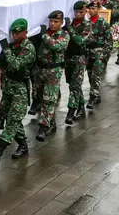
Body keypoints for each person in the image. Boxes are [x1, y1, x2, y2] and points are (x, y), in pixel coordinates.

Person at [0, 18, 35, 163]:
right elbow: (0, 64)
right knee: (13, 119)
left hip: (20, 89)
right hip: (7, 88)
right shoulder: (12, 46)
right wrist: (1, 51)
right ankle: (23, 145)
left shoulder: (28, 47)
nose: (14, 35)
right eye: (13, 32)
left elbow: (16, 65)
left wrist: (6, 49)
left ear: (25, 32)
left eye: (18, 32)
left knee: (13, 120)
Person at [35, 11, 70, 142]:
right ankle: (51, 123)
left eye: (56, 22)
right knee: (40, 96)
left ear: (61, 23)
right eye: (50, 21)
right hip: (40, 69)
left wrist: (44, 35)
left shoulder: (64, 35)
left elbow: (55, 46)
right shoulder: (44, 33)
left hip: (53, 70)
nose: (52, 24)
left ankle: (43, 127)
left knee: (48, 99)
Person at [64, 1, 91, 125]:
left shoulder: (87, 25)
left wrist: (69, 28)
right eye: (76, 11)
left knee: (75, 86)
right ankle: (81, 107)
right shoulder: (69, 23)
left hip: (79, 58)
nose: (78, 14)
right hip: (68, 57)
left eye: (81, 11)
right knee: (73, 85)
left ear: (85, 12)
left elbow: (80, 40)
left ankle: (71, 110)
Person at [86, 2, 113, 109]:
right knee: (89, 73)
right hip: (88, 52)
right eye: (90, 9)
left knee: (96, 75)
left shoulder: (103, 23)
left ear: (98, 9)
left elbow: (109, 41)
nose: (91, 10)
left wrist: (105, 55)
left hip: (99, 53)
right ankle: (95, 93)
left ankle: (93, 96)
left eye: (93, 8)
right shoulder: (87, 23)